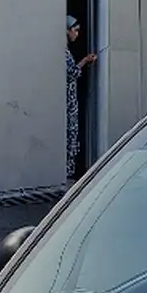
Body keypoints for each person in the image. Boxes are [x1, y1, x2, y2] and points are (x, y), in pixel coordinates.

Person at [64, 15, 98, 180]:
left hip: (70, 102)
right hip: (67, 104)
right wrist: (85, 61)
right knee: (69, 137)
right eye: (75, 31)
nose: (77, 34)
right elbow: (71, 74)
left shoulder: (66, 51)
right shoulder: (63, 51)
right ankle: (66, 173)